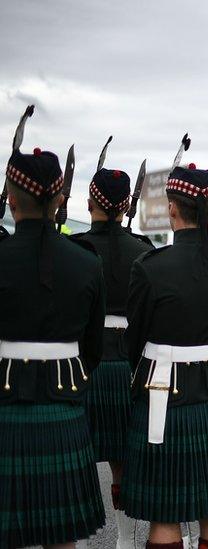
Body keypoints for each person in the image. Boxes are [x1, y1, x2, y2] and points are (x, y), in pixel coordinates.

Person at [121, 161, 208, 548]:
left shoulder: (149, 268)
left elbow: (136, 340)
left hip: (163, 395)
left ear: (173, 209)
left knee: (166, 512)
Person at [0, 129, 107, 548]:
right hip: (64, 400)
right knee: (61, 534)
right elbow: (93, 348)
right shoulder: (85, 262)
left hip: (5, 397)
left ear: (11, 198)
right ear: (60, 200)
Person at [72, 159, 154, 548]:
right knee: (123, 461)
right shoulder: (143, 250)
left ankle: (82, 541)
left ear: (91, 202)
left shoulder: (77, 248)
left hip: (83, 366)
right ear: (126, 207)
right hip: (126, 365)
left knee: (78, 460)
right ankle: (123, 541)